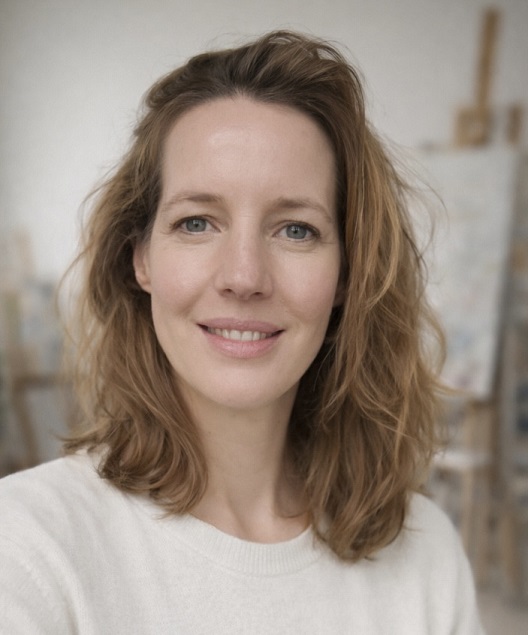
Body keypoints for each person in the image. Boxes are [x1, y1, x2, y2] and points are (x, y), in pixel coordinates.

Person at [0, 30, 483, 633]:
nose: (244, 277)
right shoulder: (28, 548)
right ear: (140, 257)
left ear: (346, 274)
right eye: (197, 222)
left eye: (296, 230)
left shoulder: (426, 554)